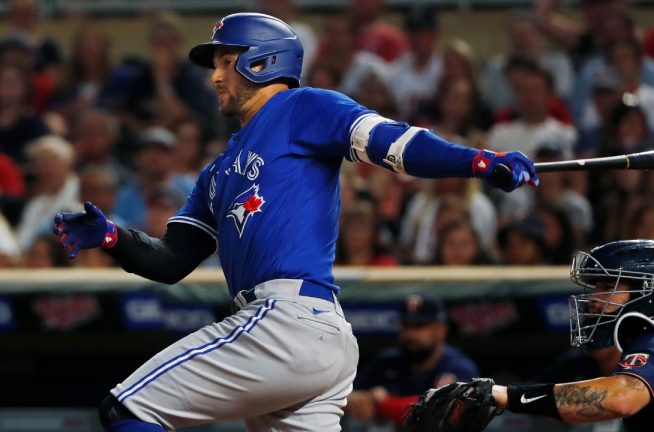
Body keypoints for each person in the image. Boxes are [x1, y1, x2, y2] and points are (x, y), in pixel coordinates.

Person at [51, 13, 537, 432]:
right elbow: (173, 260)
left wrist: (477, 161)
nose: (215, 77)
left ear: (262, 61)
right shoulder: (217, 171)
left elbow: (397, 144)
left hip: (285, 321)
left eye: (225, 62)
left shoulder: (304, 107)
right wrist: (113, 237)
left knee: (125, 407)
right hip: (312, 342)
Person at [410, 240, 654, 431]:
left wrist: (503, 395)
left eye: (608, 286)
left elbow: (619, 400)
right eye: (594, 286)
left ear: (649, 290)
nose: (594, 299)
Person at [347, 293, 479, 426]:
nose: (410, 334)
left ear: (441, 330)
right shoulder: (386, 362)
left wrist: (384, 403)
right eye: (406, 325)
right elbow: (342, 395)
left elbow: (440, 413)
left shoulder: (458, 367)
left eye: (419, 326)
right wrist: (351, 399)